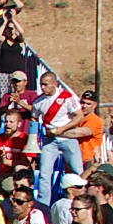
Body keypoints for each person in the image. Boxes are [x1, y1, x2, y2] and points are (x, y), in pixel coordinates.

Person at [33, 72, 83, 204]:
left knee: (78, 171)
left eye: (46, 84)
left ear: (55, 83)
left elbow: (79, 116)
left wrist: (63, 129)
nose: (43, 88)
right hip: (50, 141)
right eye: (41, 85)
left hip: (68, 138)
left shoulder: (67, 97)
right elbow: (33, 116)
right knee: (44, 174)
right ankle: (44, 205)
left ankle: (82, 200)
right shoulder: (39, 101)